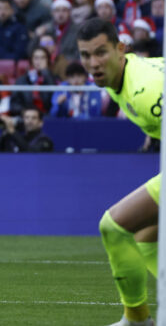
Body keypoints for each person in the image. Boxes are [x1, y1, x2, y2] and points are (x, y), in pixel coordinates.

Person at [76, 18, 163, 326]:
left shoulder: (145, 92)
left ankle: (137, 320)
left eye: (101, 52)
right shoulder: (122, 78)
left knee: (114, 225)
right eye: (86, 55)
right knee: (145, 238)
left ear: (121, 49)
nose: (93, 63)